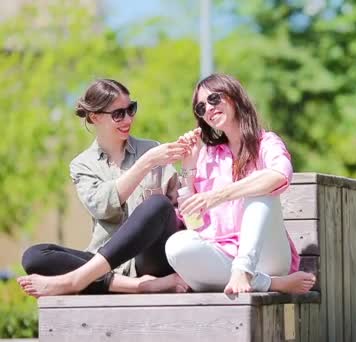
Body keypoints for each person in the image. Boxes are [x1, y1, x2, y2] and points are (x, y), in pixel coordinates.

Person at [17, 79, 190, 297]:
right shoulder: (82, 165)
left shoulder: (151, 148)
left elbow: (180, 205)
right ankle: (137, 286)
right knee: (34, 256)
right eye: (118, 114)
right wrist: (145, 163)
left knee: (158, 205)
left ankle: (77, 280)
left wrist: (189, 163)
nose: (128, 119)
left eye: (131, 109)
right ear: (95, 117)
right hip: (105, 265)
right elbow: (104, 208)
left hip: (152, 261)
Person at [166, 73, 316, 294]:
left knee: (261, 184)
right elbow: (194, 223)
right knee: (176, 246)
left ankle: (245, 268)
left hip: (267, 254)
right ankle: (270, 284)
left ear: (234, 97)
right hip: (223, 256)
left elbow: (280, 175)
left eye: (214, 99)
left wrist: (218, 196)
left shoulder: (265, 142)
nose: (208, 108)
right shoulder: (208, 156)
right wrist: (188, 166)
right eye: (200, 108)